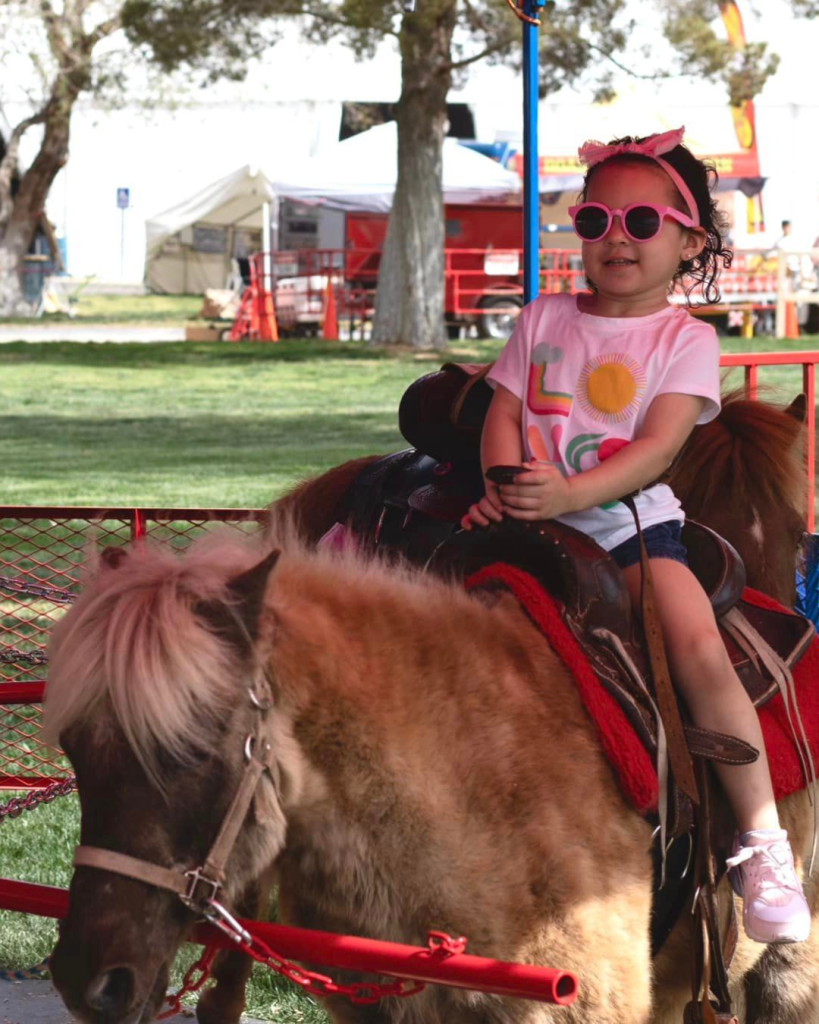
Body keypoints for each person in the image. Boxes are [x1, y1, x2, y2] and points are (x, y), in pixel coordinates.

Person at [463, 127, 811, 945]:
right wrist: (501, 486)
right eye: (596, 221)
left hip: (627, 528)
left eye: (643, 223)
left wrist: (567, 494)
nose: (616, 238)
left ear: (689, 242)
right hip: (527, 517)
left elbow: (656, 449)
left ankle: (760, 843)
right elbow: (504, 411)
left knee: (694, 643)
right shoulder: (544, 316)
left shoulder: (683, 340)